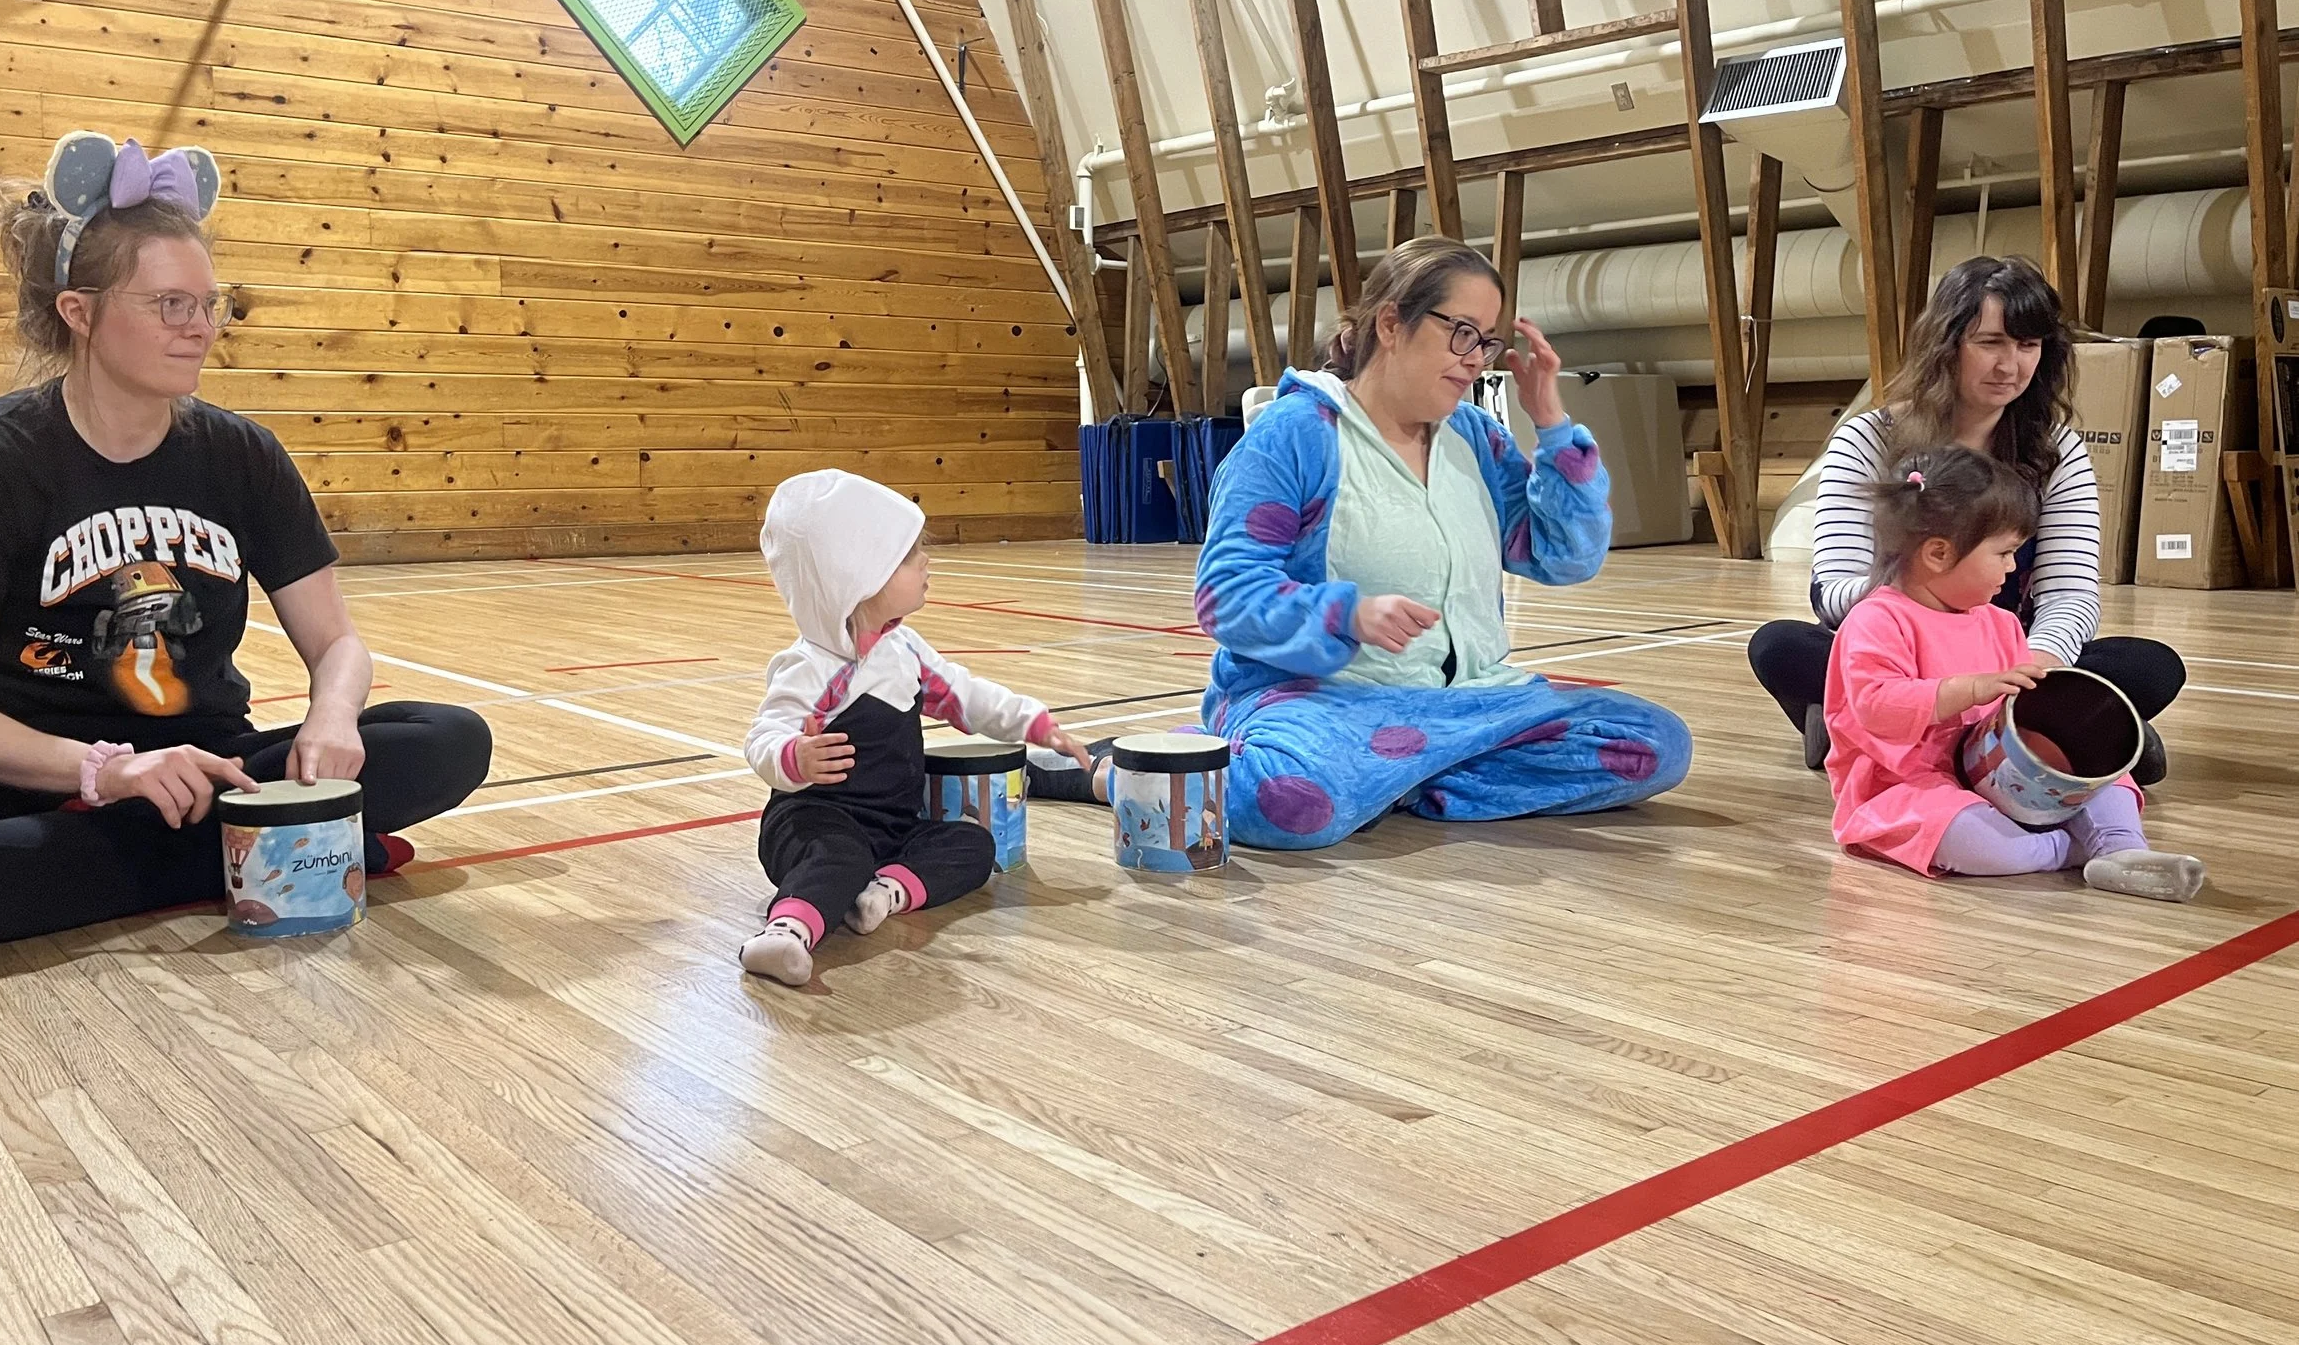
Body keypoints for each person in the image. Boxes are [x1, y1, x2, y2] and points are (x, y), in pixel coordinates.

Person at [0, 133, 492, 954]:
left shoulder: (242, 454)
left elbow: (339, 642)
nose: (201, 327)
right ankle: (253, 850)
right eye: (170, 303)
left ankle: (196, 848)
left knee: (449, 739)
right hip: (26, 777)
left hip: (207, 764)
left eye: (212, 303)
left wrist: (330, 715)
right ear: (81, 313)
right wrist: (104, 773)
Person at [1189, 237, 1691, 851]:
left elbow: (1567, 556)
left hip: (1471, 705)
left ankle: (1396, 778)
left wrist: (1553, 425)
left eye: (1486, 341)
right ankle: (1126, 768)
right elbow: (1226, 596)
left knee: (1656, 746)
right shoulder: (1295, 435)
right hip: (1327, 702)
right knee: (1292, 802)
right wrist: (1346, 613)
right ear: (1392, 322)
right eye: (1461, 332)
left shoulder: (1478, 438)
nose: (1475, 357)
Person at [1748, 255, 2183, 778]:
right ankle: (2058, 731)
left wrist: (2034, 664)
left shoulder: (2057, 451)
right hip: (1898, 655)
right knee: (1779, 646)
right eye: (1991, 343)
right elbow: (1835, 590)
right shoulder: (1868, 439)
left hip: (2008, 655)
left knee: (2151, 665)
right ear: (1946, 344)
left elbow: (2071, 593)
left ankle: (1887, 732)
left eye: (2028, 346)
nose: (2011, 366)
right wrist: (1930, 630)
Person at [740, 470, 1103, 986]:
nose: (926, 562)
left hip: (892, 827)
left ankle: (885, 892)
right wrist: (793, 758)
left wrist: (1035, 723)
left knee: (974, 846)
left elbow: (966, 695)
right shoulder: (810, 667)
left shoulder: (905, 651)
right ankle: (786, 933)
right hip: (812, 821)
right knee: (838, 857)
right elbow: (762, 738)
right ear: (859, 577)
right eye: (909, 557)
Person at [1824, 445, 2201, 900]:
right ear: (1939, 554)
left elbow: (2020, 711)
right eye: (2004, 553)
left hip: (2001, 776)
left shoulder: (1999, 622)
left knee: (2110, 782)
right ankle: (2075, 850)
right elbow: (1876, 707)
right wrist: (1970, 689)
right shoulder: (1877, 620)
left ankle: (2123, 847)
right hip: (1909, 787)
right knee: (1969, 839)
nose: (2011, 567)